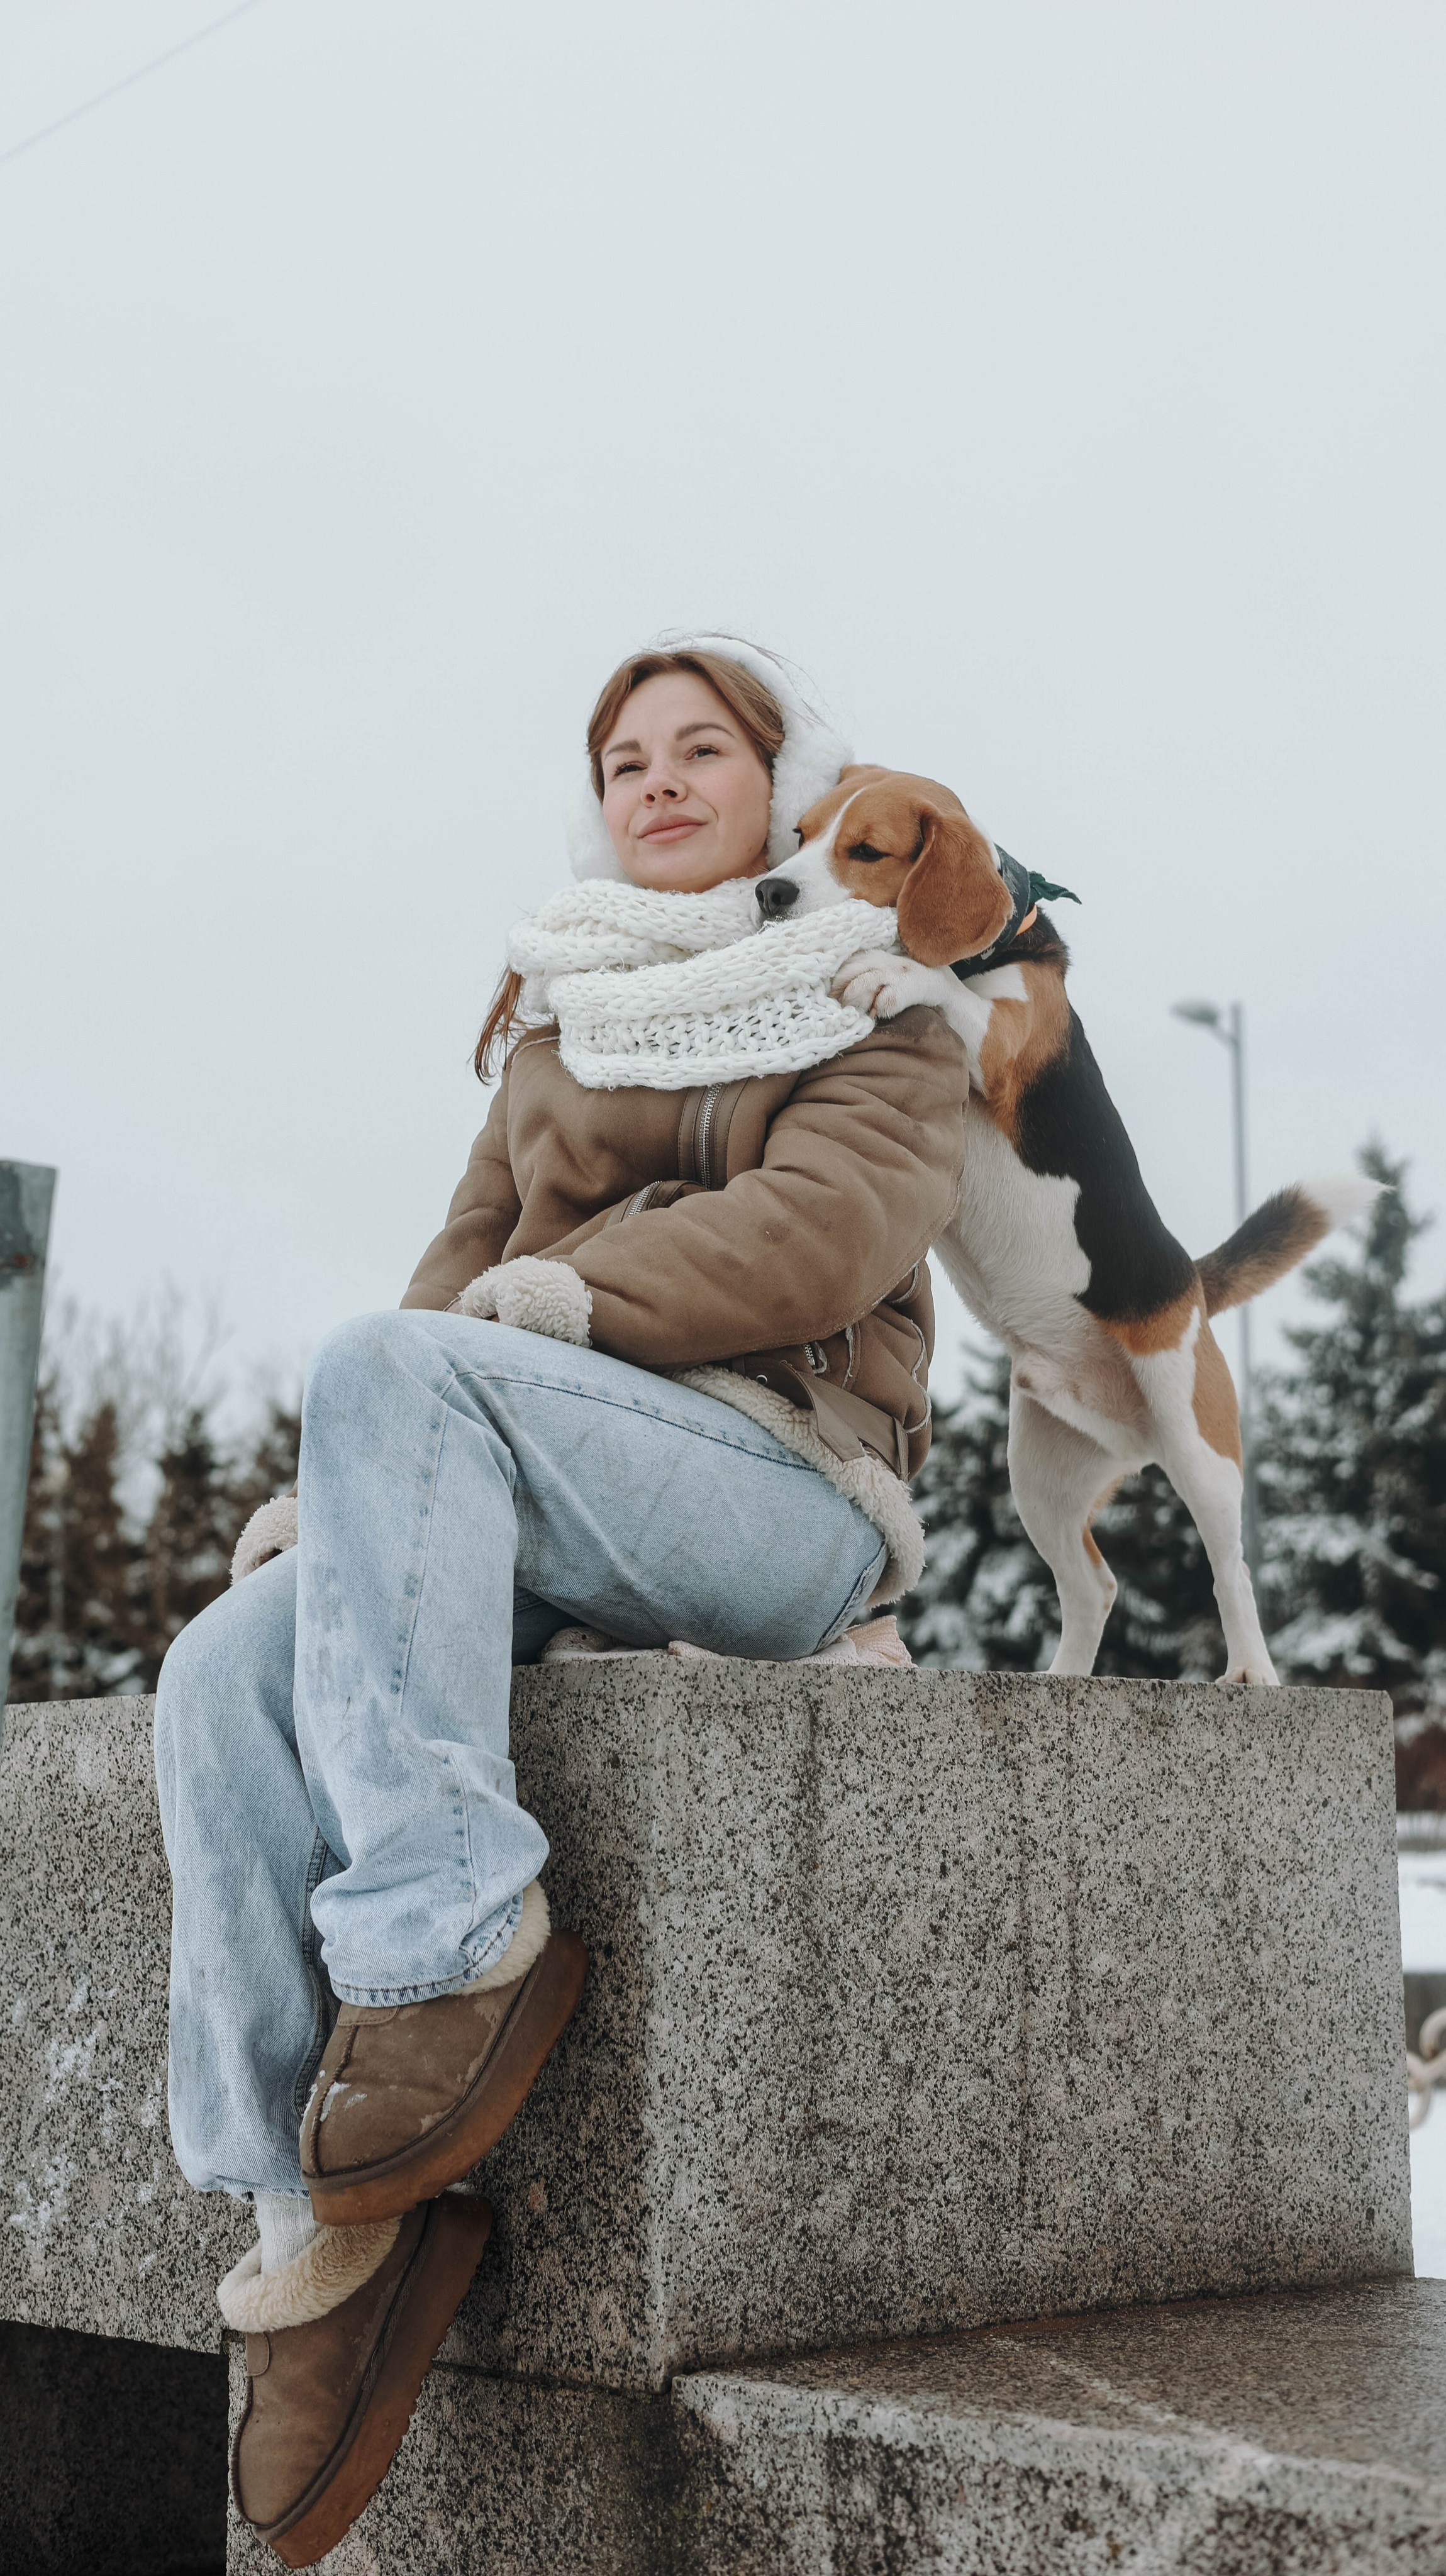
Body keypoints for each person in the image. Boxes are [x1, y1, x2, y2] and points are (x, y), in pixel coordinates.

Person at [153, 635, 968, 2565]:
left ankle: (452, 1950)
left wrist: (568, 1306)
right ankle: (315, 2229)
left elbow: (822, 1234)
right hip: (527, 1471)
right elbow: (446, 1281)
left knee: (402, 1368)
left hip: (777, 1482)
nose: (659, 779)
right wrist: (332, 1497)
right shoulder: (551, 1024)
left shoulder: (879, 1002)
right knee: (215, 1670)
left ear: (782, 786)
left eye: (703, 749)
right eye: (624, 757)